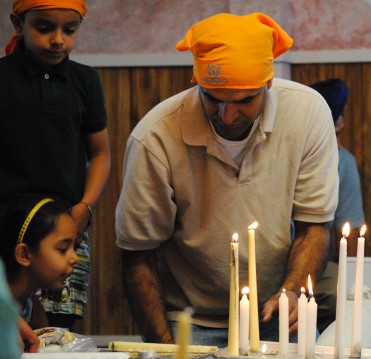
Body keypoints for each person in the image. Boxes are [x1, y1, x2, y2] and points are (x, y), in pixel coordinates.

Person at [115, 12, 339, 346]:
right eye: (213, 99)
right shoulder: (155, 137)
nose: (228, 115)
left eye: (245, 101)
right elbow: (138, 256)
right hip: (190, 321)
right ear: (197, 83)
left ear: (268, 84)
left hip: (276, 314)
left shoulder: (307, 113)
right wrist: (163, 348)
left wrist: (292, 293)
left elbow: (314, 226)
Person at [0, 0, 111, 329]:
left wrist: (84, 208)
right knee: (8, 325)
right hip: (9, 228)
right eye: (44, 28)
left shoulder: (85, 80)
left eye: (69, 29)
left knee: (56, 333)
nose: (58, 39)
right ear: (18, 24)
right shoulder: (2, 78)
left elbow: (101, 154)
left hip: (67, 230)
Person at [309, 78, 365, 333]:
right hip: (272, 264)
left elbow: (352, 232)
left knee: (342, 293)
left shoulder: (344, 162)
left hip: (320, 265)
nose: (334, 146)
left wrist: (356, 284)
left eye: (338, 135)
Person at [0, 197, 79, 353]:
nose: (75, 258)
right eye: (63, 249)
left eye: (74, 247)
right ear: (24, 254)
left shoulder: (32, 306)